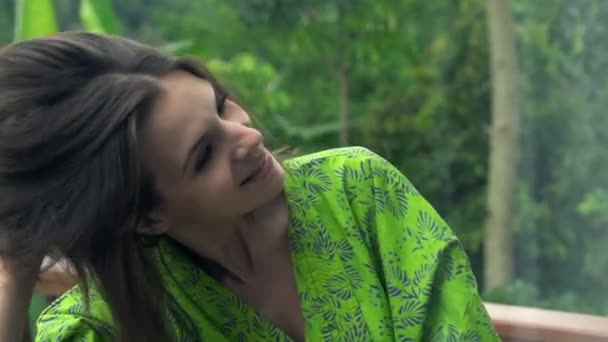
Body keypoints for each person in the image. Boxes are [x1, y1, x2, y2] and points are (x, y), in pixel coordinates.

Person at [0, 32, 499, 342]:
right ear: (148, 216)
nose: (249, 135)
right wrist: (13, 276)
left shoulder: (358, 190)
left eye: (220, 104)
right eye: (205, 155)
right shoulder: (106, 323)